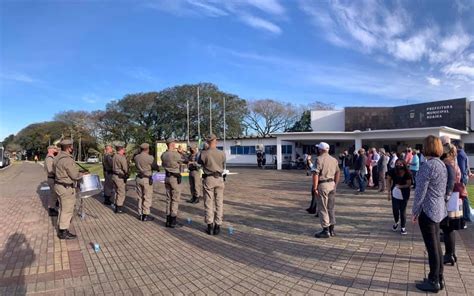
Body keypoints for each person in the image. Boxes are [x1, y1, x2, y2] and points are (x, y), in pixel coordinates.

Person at [412, 135, 447, 293]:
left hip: (428, 210)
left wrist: (415, 211)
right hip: (439, 209)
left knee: (432, 247)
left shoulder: (427, 166)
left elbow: (420, 193)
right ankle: (439, 277)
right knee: (437, 246)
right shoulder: (441, 164)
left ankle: (434, 280)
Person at [53, 139, 85, 239]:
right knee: (67, 210)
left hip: (59, 185)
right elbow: (75, 175)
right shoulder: (67, 159)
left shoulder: (57, 157)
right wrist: (83, 174)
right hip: (66, 188)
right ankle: (63, 232)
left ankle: (61, 228)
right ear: (68, 147)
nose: (72, 148)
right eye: (71, 146)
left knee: (62, 209)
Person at [440, 143, 465, 266]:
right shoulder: (453, 162)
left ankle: (449, 254)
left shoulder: (447, 163)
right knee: (449, 228)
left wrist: (445, 197)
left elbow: (450, 182)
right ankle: (451, 253)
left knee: (447, 227)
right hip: (455, 197)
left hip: (451, 197)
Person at [199, 134, 226, 235]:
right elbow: (223, 165)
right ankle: (217, 226)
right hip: (219, 178)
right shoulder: (222, 153)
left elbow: (200, 163)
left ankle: (210, 226)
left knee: (208, 203)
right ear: (216, 141)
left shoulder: (204, 153)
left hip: (208, 178)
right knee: (219, 203)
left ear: (207, 142)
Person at [313, 142, 340, 238]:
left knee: (322, 207)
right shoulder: (334, 159)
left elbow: (316, 174)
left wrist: (315, 187)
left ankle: (326, 230)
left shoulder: (318, 159)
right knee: (331, 208)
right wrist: (335, 184)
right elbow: (338, 172)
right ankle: (332, 229)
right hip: (332, 184)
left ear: (320, 149)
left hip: (323, 184)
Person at [161, 138, 184, 228]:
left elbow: (163, 164)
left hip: (167, 177)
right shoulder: (176, 155)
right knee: (175, 199)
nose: (175, 144)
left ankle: (168, 220)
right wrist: (181, 152)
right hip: (174, 178)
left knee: (168, 199)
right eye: (174, 143)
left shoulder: (163, 155)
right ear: (172, 144)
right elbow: (185, 160)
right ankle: (173, 221)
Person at [134, 143, 159, 221]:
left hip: (138, 178)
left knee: (140, 196)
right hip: (146, 179)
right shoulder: (150, 158)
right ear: (147, 149)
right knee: (147, 196)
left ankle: (140, 213)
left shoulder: (136, 157)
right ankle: (145, 214)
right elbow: (155, 166)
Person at [386, 159, 412, 235]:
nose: (399, 165)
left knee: (403, 210)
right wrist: (388, 192)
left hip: (404, 193)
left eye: (401, 164)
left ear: (404, 164)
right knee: (395, 209)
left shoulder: (407, 172)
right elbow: (388, 180)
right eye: (397, 164)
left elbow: (409, 184)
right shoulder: (392, 171)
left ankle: (403, 227)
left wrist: (401, 186)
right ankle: (396, 222)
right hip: (395, 192)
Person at [452, 140, 472, 224]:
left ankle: (466, 216)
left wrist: (459, 181)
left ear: (457, 146)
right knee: (463, 197)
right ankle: (466, 215)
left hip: (462, 179)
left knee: (463, 197)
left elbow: (461, 169)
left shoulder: (460, 155)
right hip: (464, 178)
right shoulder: (463, 154)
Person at [112, 143, 129, 214]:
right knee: (121, 192)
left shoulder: (114, 156)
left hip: (114, 176)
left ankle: (116, 205)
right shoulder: (122, 157)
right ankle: (119, 208)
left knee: (116, 191)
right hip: (120, 176)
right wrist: (127, 173)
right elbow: (125, 168)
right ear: (122, 149)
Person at [44, 145, 59, 217]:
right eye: (55, 148)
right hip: (52, 178)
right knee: (54, 194)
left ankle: (54, 205)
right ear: (50, 149)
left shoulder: (52, 157)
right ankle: (51, 209)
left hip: (53, 178)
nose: (56, 149)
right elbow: (50, 170)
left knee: (55, 194)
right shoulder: (49, 158)